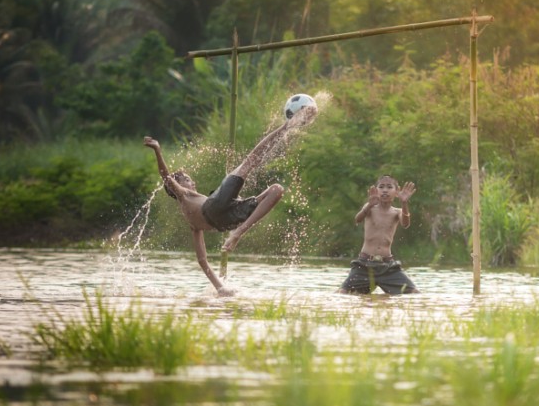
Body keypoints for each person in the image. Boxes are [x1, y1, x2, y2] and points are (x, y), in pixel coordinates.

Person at [144, 106, 316, 296]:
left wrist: (220, 287)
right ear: (178, 188)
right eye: (186, 179)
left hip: (226, 221)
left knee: (276, 190)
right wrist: (158, 151)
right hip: (215, 207)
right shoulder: (184, 195)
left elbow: (202, 260)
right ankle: (286, 127)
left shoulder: (191, 221)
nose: (191, 180)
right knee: (251, 160)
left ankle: (238, 233)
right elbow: (166, 177)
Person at [337, 175, 420, 294]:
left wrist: (404, 203)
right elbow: (357, 219)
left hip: (388, 267)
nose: (385, 190)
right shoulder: (370, 208)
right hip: (364, 265)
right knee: (343, 293)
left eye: (389, 187)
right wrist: (369, 205)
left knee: (414, 293)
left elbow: (405, 224)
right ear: (376, 191)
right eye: (381, 187)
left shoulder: (397, 212)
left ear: (397, 192)